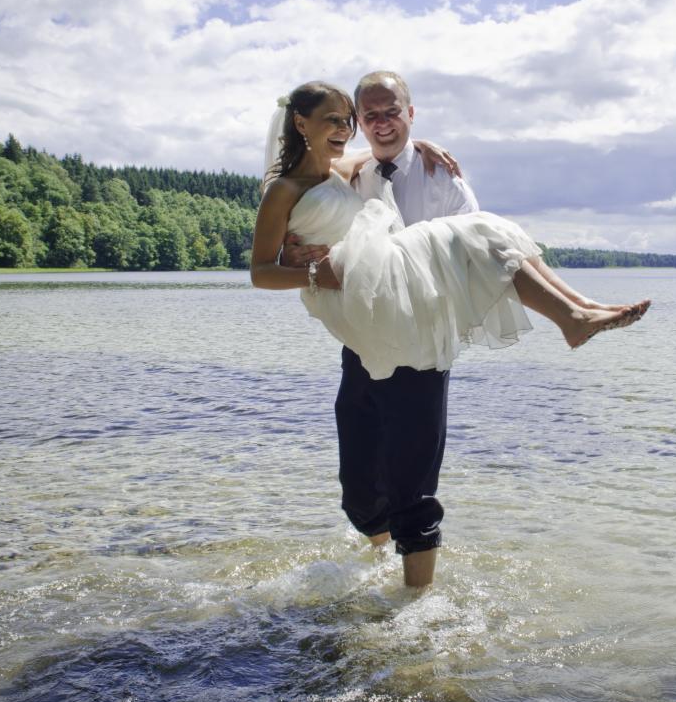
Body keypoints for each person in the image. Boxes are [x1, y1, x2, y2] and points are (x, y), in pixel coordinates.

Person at [249, 77, 649, 587]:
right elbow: (262, 271)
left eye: (349, 121)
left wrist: (419, 143)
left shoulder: (350, 167)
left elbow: (391, 155)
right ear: (299, 123)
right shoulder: (285, 189)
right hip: (361, 316)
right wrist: (310, 271)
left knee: (481, 231)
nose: (347, 130)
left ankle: (575, 312)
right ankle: (378, 560)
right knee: (359, 489)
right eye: (336, 120)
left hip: (412, 308)